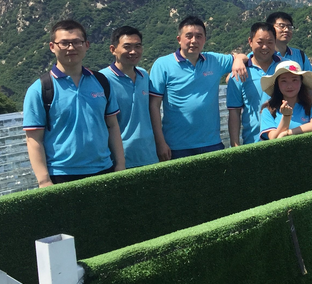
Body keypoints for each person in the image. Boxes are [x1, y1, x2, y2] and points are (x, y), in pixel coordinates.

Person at [23, 19, 125, 186]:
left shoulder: (102, 82)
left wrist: (120, 164)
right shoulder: (40, 89)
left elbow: (112, 126)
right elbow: (34, 139)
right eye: (64, 43)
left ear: (86, 45)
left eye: (77, 42)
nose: (71, 48)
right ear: (52, 47)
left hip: (104, 169)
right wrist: (44, 180)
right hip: (61, 175)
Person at [149, 16, 248, 160]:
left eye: (199, 36)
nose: (194, 41)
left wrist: (238, 60)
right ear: (179, 39)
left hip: (212, 143)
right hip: (176, 146)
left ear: (204, 40)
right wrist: (160, 143)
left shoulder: (214, 61)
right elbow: (154, 106)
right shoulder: (162, 65)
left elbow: (244, 56)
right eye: (189, 36)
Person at [101, 26, 158, 168]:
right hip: (119, 160)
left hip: (149, 155)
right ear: (113, 49)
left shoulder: (144, 76)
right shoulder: (102, 80)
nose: (133, 51)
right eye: (127, 47)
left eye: (137, 46)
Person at [227, 22, 282, 146]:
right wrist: (235, 146)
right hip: (253, 142)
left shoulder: (285, 67)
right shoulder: (238, 73)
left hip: (286, 137)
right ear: (250, 41)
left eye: (270, 42)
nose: (265, 47)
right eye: (260, 42)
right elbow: (234, 112)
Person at [259, 61, 312, 140]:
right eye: (284, 81)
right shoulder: (268, 111)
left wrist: (288, 133)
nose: (289, 86)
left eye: (294, 80)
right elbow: (273, 138)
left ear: (301, 82)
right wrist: (286, 117)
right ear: (277, 84)